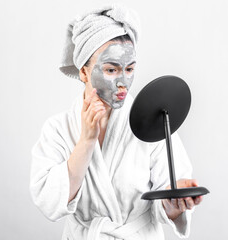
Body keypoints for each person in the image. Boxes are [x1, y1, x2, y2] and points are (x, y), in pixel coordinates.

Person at [29, 4, 203, 240]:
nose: (123, 82)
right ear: (83, 71)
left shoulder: (152, 121)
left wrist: (176, 202)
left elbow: (166, 204)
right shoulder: (58, 130)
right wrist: (86, 141)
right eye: (111, 70)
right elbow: (49, 202)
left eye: (130, 69)